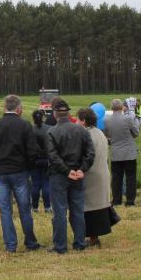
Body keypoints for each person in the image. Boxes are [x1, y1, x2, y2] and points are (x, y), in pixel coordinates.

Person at [0, 94, 41, 253]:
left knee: (6, 210)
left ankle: (10, 245)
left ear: (4, 108)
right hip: (20, 172)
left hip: (0, 173)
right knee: (24, 208)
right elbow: (33, 151)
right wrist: (29, 168)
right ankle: (30, 242)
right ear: (19, 108)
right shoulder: (25, 125)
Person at [46, 99, 95, 254]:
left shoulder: (52, 132)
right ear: (68, 113)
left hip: (59, 176)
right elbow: (90, 152)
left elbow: (53, 156)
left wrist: (67, 171)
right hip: (77, 174)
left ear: (55, 114)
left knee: (59, 212)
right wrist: (82, 169)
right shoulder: (81, 130)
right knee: (77, 210)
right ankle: (79, 242)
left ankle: (60, 246)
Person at [77, 108, 112, 247]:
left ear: (84, 121)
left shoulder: (86, 135)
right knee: (99, 205)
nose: (77, 122)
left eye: (78, 119)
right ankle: (94, 236)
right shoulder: (100, 133)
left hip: (91, 175)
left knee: (90, 208)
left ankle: (92, 236)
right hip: (102, 173)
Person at [105, 98, 140, 206]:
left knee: (116, 178)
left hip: (116, 153)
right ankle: (130, 201)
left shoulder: (107, 120)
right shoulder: (128, 119)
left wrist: (113, 141)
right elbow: (136, 133)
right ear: (122, 107)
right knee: (130, 177)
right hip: (129, 152)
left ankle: (116, 200)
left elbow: (107, 137)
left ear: (111, 108)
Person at [30, 109, 51, 213]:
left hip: (34, 160)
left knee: (35, 184)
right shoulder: (50, 129)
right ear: (43, 117)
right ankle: (47, 207)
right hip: (47, 159)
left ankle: (35, 207)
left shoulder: (30, 130)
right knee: (46, 183)